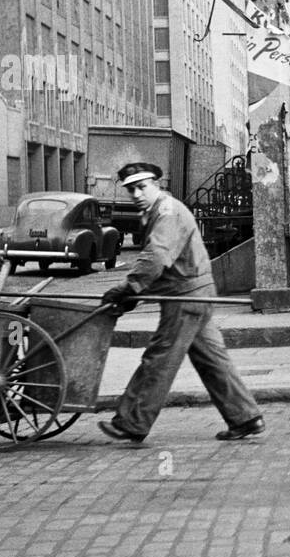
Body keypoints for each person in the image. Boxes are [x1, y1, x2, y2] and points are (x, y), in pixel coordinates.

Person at [97, 162, 268, 443]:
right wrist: (133, 294)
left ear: (157, 185)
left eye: (142, 187)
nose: (137, 194)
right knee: (212, 360)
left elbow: (156, 258)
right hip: (192, 294)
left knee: (160, 358)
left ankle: (132, 422)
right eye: (131, 190)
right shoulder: (158, 211)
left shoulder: (167, 212)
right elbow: (162, 263)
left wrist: (127, 288)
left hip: (185, 297)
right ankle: (245, 418)